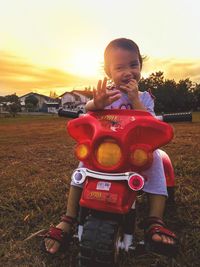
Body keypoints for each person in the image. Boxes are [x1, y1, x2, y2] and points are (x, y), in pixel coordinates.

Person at [43, 38, 178, 256]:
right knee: (81, 169)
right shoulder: (107, 96)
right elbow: (88, 111)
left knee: (157, 163)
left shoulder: (144, 97)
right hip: (107, 149)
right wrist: (96, 104)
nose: (128, 72)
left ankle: (155, 220)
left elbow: (152, 122)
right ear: (109, 73)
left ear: (140, 67)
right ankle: (68, 218)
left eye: (133, 65)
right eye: (120, 67)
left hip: (136, 152)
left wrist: (135, 100)